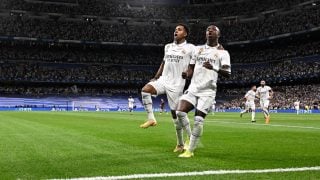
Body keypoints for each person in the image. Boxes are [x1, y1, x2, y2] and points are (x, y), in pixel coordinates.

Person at [177, 25, 231, 158]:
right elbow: (191, 67)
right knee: (179, 112)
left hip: (208, 91)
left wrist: (214, 68)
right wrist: (187, 74)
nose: (210, 31)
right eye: (208, 30)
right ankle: (191, 137)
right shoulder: (197, 49)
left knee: (198, 120)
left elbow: (228, 73)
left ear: (218, 35)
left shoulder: (223, 53)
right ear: (205, 34)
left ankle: (190, 150)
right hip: (194, 88)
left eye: (213, 30)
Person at [140, 24, 195, 152]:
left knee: (177, 116)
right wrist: (156, 77)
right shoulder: (168, 47)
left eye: (179, 29)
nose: (176, 31)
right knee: (145, 90)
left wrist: (188, 74)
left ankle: (183, 142)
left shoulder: (190, 48)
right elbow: (163, 63)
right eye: (175, 29)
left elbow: (193, 66)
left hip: (176, 85)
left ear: (185, 34)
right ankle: (151, 119)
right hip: (163, 80)